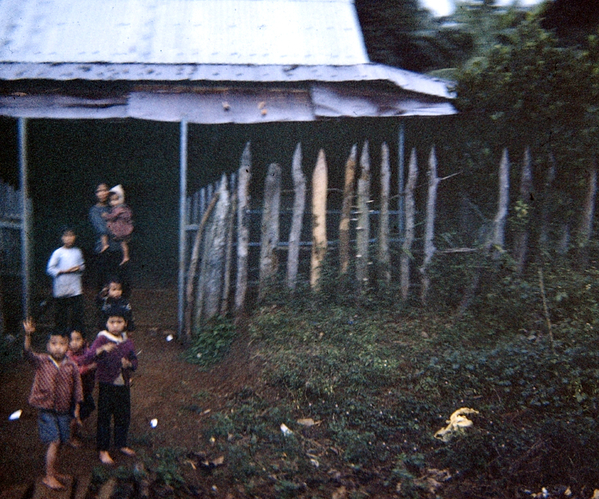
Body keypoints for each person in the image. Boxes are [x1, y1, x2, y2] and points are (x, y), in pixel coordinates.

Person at [23, 319, 83, 490]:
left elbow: (77, 388)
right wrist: (28, 335)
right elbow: (27, 353)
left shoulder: (71, 365)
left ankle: (54, 470)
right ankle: (48, 476)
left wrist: (77, 408)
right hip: (46, 409)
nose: (58, 347)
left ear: (68, 346)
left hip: (64, 410)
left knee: (63, 440)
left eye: (62, 344)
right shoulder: (42, 361)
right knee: (54, 441)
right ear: (48, 346)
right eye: (53, 343)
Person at [84, 306, 138, 465]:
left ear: (125, 323)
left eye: (119, 322)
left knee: (123, 414)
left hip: (123, 384)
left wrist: (129, 364)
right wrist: (102, 349)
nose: (115, 325)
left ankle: (121, 443)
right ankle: (103, 449)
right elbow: (88, 356)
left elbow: (135, 361)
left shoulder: (127, 342)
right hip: (107, 384)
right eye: (112, 322)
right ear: (106, 323)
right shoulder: (102, 339)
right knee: (104, 416)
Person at [89, 183, 130, 296]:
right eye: (99, 191)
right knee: (104, 283)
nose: (102, 193)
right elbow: (102, 228)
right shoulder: (95, 210)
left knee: (119, 281)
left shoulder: (115, 207)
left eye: (105, 190)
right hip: (103, 251)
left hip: (117, 250)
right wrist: (118, 230)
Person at [46, 227, 85, 335]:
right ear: (62, 238)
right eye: (66, 236)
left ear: (74, 237)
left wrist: (79, 268)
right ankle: (61, 335)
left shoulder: (77, 252)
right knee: (61, 314)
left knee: (76, 314)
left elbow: (82, 266)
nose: (68, 238)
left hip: (75, 288)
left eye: (71, 235)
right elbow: (50, 268)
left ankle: (76, 335)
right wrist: (62, 271)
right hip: (61, 287)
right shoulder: (58, 252)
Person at [66, 330, 97, 448]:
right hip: (72, 392)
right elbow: (76, 371)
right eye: (71, 340)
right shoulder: (68, 355)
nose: (74, 343)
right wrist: (89, 367)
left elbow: (93, 358)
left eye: (77, 339)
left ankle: (72, 432)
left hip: (85, 390)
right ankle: (70, 437)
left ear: (84, 340)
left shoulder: (87, 352)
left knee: (86, 409)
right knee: (74, 414)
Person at [103, 185, 133, 266]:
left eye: (116, 200)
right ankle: (125, 256)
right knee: (123, 243)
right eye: (112, 200)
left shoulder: (119, 208)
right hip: (122, 226)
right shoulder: (123, 207)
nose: (113, 202)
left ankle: (125, 256)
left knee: (122, 242)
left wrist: (106, 216)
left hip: (121, 227)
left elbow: (113, 216)